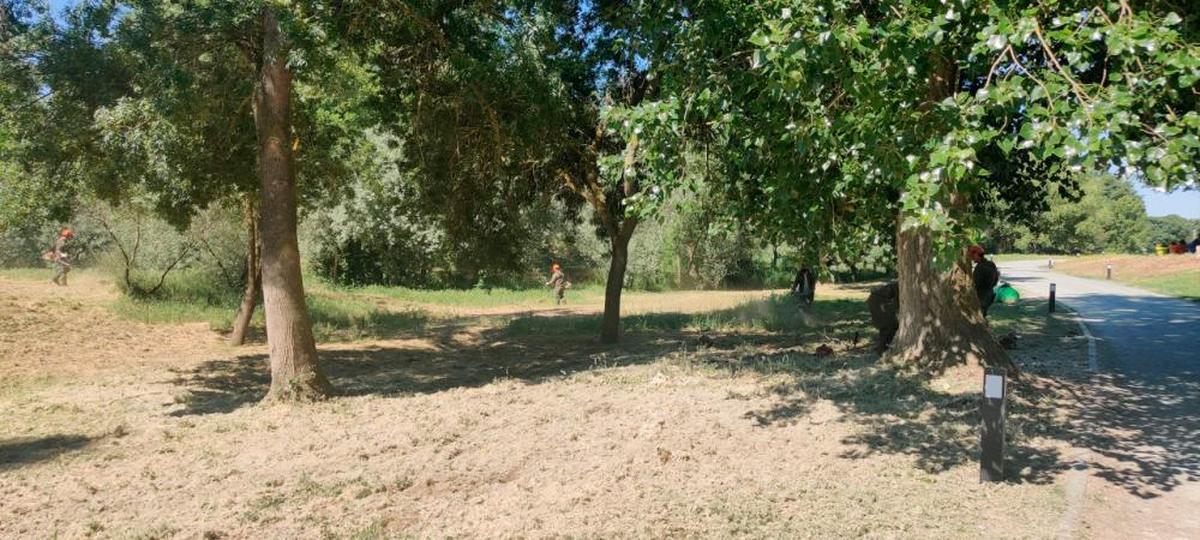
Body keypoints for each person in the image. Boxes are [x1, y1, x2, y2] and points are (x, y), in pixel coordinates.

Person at [867, 280, 899, 353]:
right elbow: (897, 304)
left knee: (887, 326)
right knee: (889, 325)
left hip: (876, 299)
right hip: (878, 301)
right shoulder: (900, 287)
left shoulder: (896, 285)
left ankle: (882, 346)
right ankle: (882, 348)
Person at [969, 245, 1000, 317]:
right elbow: (996, 277)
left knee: (978, 315)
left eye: (973, 256)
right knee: (982, 314)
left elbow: (976, 283)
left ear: (976, 255)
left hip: (982, 295)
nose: (972, 258)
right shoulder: (991, 264)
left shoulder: (980, 267)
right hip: (990, 293)